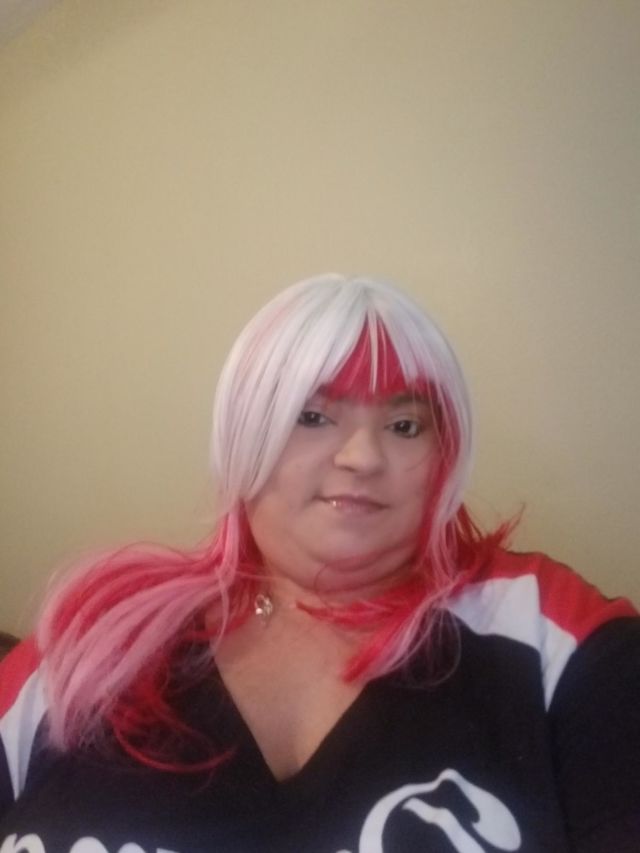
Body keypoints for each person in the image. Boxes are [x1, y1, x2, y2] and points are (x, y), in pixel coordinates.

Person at [0, 274, 638, 853]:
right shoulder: (96, 639)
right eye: (312, 416)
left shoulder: (549, 633)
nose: (361, 457)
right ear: (244, 435)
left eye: (405, 425)